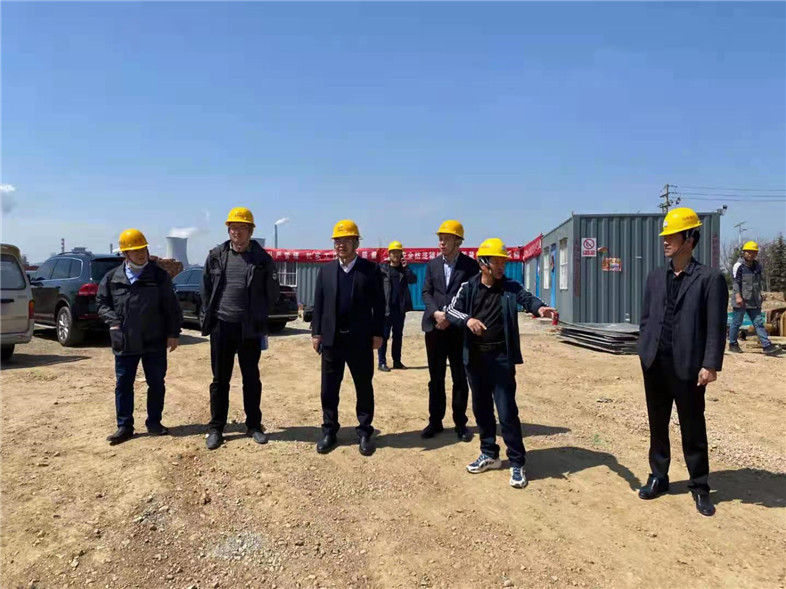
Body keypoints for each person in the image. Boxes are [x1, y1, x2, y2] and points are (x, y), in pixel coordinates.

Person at [637, 207, 728, 516]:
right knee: (657, 423)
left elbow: (716, 326)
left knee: (692, 427)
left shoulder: (710, 279)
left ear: (689, 239)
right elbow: (646, 318)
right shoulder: (655, 277)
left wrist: (710, 364)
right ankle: (658, 476)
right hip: (655, 362)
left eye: (672, 236)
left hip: (688, 366)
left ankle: (700, 486)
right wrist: (644, 349)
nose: (665, 241)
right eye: (664, 236)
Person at [446, 238, 555, 488]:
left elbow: (527, 298)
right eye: (495, 262)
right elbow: (451, 310)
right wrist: (468, 320)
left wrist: (540, 308)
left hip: (500, 358)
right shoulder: (468, 287)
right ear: (482, 263)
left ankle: (516, 462)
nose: (500, 266)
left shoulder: (509, 286)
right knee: (482, 409)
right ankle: (489, 454)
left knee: (507, 412)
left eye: (503, 262)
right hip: (475, 359)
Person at [200, 207, 280, 450]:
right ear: (228, 230)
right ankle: (216, 428)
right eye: (233, 228)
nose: (237, 232)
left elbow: (272, 293)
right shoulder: (216, 255)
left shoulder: (262, 259)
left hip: (249, 328)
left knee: (251, 378)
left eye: (242, 228)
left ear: (251, 231)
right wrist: (208, 316)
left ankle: (254, 425)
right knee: (219, 379)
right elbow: (205, 289)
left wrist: (258, 315)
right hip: (222, 326)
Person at [98, 228, 183, 445]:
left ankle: (154, 422)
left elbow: (171, 306)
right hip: (126, 339)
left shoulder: (159, 276)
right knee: (123, 384)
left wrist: (173, 333)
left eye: (143, 249)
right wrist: (114, 322)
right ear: (125, 254)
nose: (141, 254)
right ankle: (124, 426)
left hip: (154, 339)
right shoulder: (112, 278)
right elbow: (102, 303)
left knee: (156, 383)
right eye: (135, 250)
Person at [311, 219, 385, 456]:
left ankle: (364, 432)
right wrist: (316, 333)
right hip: (332, 340)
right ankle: (329, 430)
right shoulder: (326, 271)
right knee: (329, 388)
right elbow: (319, 304)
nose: (341, 245)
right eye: (337, 241)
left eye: (346, 240)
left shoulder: (370, 270)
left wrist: (379, 333)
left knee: (363, 387)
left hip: (360, 340)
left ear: (356, 243)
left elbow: (379, 305)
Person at [421, 220, 479, 442]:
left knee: (459, 378)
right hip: (434, 328)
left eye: (446, 238)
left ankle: (460, 423)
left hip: (458, 331)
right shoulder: (432, 265)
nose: (442, 242)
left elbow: (471, 297)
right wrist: (436, 313)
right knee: (435, 378)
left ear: (458, 241)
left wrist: (452, 318)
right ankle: (435, 421)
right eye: (440, 238)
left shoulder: (470, 266)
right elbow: (426, 292)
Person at [729, 241, 783, 356]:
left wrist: (761, 294)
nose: (751, 254)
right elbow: (736, 283)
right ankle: (733, 344)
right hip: (741, 299)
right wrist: (738, 296)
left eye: (754, 252)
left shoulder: (757, 266)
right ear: (744, 252)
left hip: (754, 300)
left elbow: (758, 283)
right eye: (749, 252)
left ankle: (767, 346)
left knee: (758, 322)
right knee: (737, 322)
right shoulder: (738, 266)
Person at [378, 240, 416, 372]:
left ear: (401, 254)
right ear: (389, 254)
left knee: (398, 336)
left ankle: (397, 361)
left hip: (400, 309)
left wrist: (406, 268)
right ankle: (382, 362)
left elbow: (413, 280)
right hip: (386, 309)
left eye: (398, 252)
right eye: (393, 252)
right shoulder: (383, 269)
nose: (395, 254)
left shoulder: (404, 270)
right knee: (384, 336)